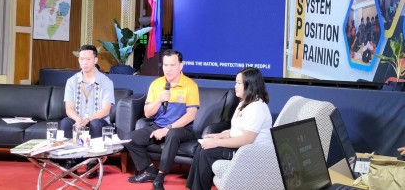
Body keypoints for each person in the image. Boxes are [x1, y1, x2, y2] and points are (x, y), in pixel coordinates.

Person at [186, 67, 273, 190]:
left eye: (239, 83)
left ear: (249, 85)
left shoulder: (256, 107)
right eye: (235, 82)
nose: (235, 86)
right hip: (241, 148)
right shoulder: (244, 103)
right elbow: (236, 131)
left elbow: (247, 139)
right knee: (202, 147)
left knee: (207, 152)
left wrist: (217, 142)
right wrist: (218, 136)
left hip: (251, 153)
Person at [124, 49, 199, 190]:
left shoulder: (190, 85)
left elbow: (191, 115)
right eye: (165, 65)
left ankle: (160, 176)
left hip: (182, 129)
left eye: (172, 65)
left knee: (172, 133)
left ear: (180, 66)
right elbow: (147, 113)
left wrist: (167, 129)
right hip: (158, 125)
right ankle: (150, 170)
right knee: (129, 138)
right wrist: (159, 99)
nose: (168, 69)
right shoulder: (156, 84)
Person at [59, 44, 115, 178]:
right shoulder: (72, 81)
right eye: (81, 59)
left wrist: (88, 119)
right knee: (66, 122)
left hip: (98, 121)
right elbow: (69, 108)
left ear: (95, 60)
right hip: (79, 119)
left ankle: (92, 162)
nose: (84, 62)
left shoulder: (106, 82)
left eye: (88, 59)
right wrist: (79, 119)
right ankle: (69, 162)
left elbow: (106, 110)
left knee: (95, 123)